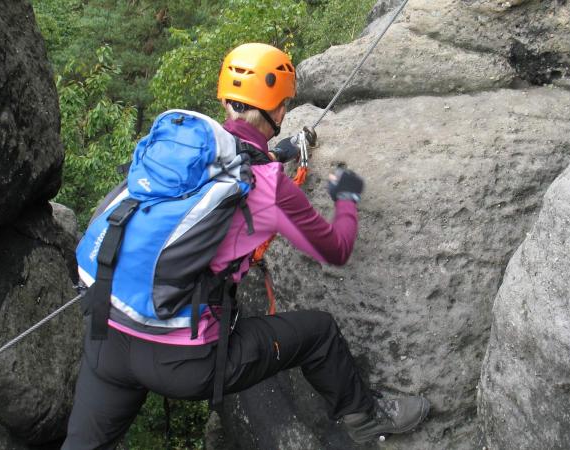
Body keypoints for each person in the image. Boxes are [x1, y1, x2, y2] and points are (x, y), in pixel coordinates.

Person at [63, 43, 429, 449]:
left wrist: (279, 152)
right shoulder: (269, 186)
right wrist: (346, 199)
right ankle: (364, 417)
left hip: (107, 337)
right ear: (279, 109)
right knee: (319, 332)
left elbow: (236, 158)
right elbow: (337, 249)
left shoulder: (178, 153)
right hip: (185, 363)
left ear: (225, 99)